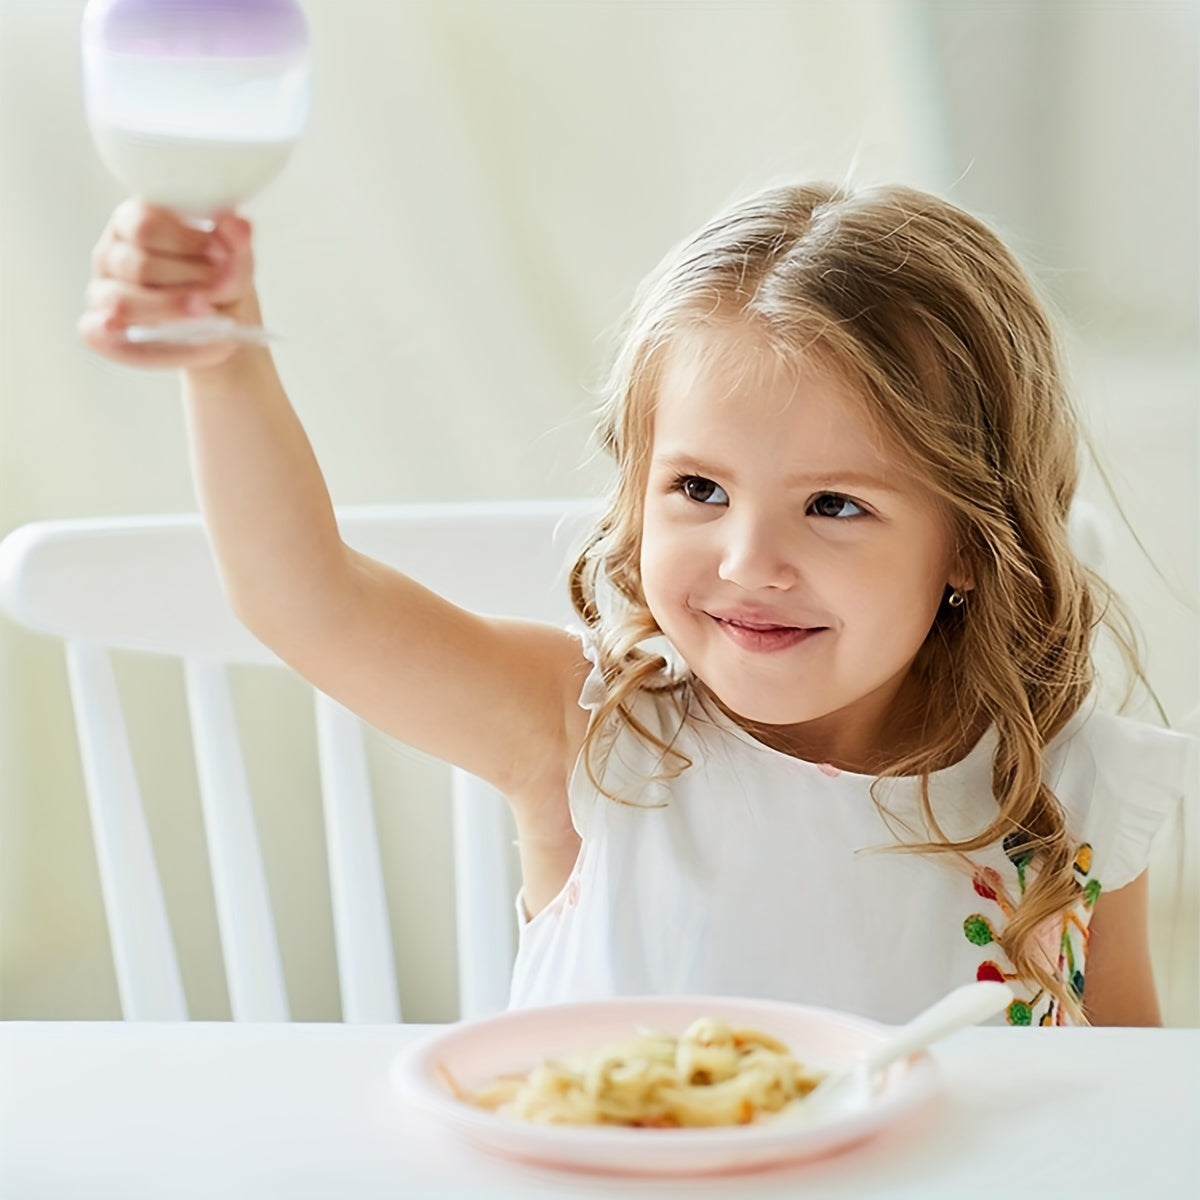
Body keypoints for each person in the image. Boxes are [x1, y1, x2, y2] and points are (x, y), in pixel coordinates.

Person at [80, 180, 1193, 1027]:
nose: (751, 561)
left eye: (834, 506)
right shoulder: (591, 732)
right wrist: (222, 361)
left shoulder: (1072, 790)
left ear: (971, 544)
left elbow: (1132, 1109)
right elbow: (309, 600)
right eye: (700, 489)